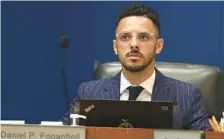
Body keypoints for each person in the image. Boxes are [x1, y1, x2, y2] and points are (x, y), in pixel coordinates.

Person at [62, 4, 211, 130]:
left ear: (159, 46)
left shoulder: (186, 96)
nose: (134, 44)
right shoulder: (88, 94)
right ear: (115, 47)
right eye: (125, 37)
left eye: (143, 37)